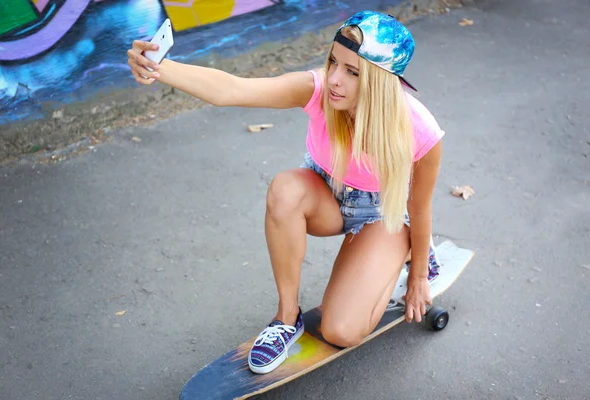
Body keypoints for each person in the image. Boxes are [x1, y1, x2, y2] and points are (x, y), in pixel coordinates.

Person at [127, 10, 444, 375]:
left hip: (382, 215)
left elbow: (419, 208)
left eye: (353, 72)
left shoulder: (419, 131)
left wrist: (418, 277)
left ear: (382, 81)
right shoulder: (319, 89)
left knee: (341, 330)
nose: (335, 80)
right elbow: (232, 89)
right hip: (327, 198)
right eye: (333, 63)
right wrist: (160, 68)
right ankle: (285, 318)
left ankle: (401, 251)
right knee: (285, 189)